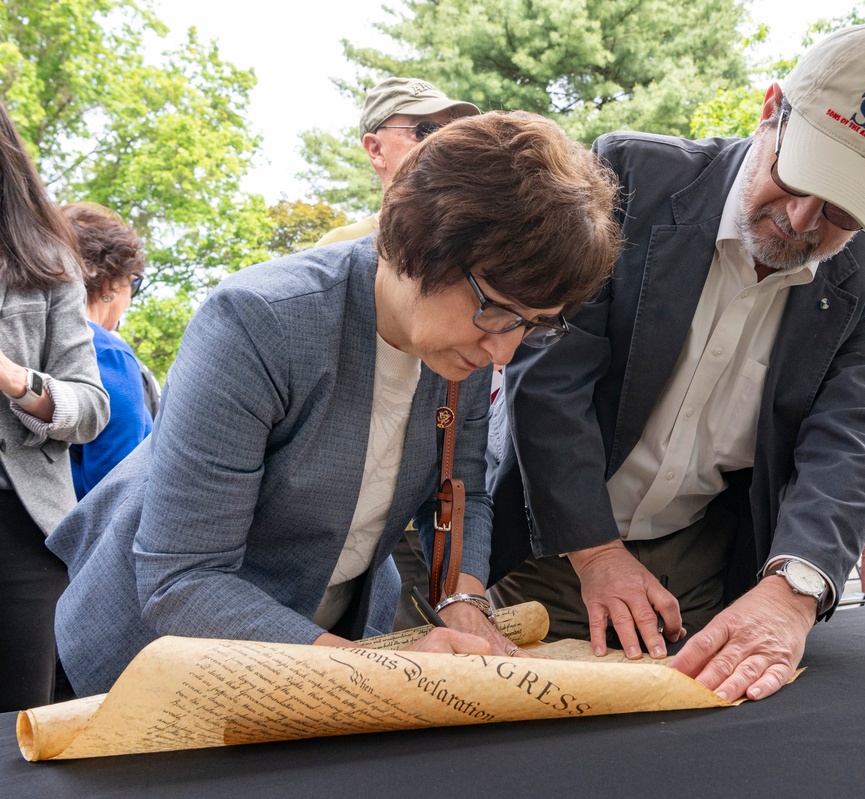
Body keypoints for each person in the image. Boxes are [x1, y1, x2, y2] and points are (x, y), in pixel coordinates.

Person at [46, 111, 621, 698]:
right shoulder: (258, 323)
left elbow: (459, 489)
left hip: (332, 644)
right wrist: (377, 674)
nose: (503, 352)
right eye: (497, 309)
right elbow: (184, 580)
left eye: (534, 324)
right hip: (153, 667)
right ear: (418, 241)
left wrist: (465, 601)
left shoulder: (461, 343)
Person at [488, 24, 865, 703]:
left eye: (843, 209)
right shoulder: (633, 178)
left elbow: (851, 439)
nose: (801, 219)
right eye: (799, 177)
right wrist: (595, 552)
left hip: (701, 562)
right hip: (547, 537)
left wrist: (790, 593)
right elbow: (549, 373)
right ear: (771, 111)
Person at [315, 78, 480, 628]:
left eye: (456, 131)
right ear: (374, 147)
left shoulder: (481, 258)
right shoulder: (336, 254)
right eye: (426, 129)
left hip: (425, 523)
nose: (444, 142)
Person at [0, 103, 110, 712]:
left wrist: (14, 378)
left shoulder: (42, 262)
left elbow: (91, 407)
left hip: (20, 528)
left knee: (20, 731)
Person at [314, 78, 480, 247]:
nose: (444, 142)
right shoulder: (338, 247)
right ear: (376, 150)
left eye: (450, 129)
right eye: (425, 130)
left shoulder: (481, 240)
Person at [62, 203, 153, 499]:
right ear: (109, 281)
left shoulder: (19, 344)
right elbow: (113, 494)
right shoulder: (108, 354)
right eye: (133, 284)